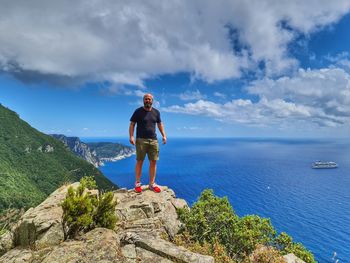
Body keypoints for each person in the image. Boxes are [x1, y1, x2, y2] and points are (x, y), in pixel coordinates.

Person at [129, 93, 167, 193]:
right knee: (140, 161)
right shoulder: (138, 111)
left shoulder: (156, 112)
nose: (147, 101)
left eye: (149, 99)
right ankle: (137, 183)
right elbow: (132, 124)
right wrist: (131, 136)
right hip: (141, 140)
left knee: (153, 162)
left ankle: (152, 184)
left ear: (152, 101)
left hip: (153, 140)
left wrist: (163, 135)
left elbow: (160, 124)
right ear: (143, 100)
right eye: (146, 99)